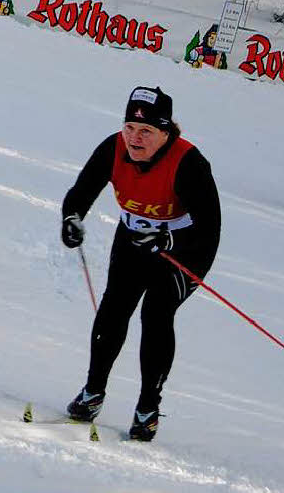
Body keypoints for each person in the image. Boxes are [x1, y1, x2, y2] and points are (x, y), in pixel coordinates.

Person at [59, 87, 221, 441]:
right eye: (130, 127)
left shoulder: (189, 163)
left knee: (157, 311)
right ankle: (92, 393)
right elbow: (82, 190)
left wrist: (169, 241)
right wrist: (72, 217)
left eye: (146, 131)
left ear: (166, 134)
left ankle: (148, 409)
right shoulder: (113, 147)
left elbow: (209, 229)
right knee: (114, 308)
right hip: (133, 239)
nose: (135, 137)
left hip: (185, 249)